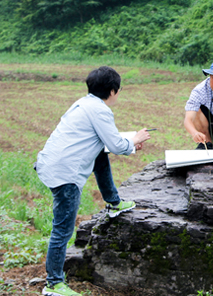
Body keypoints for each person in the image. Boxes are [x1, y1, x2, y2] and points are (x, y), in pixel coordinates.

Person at [35, 66, 151, 296]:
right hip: (65, 174)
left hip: (52, 162)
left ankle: (113, 202)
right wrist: (135, 139)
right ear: (112, 91)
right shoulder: (101, 111)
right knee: (62, 230)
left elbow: (106, 142)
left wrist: (126, 143)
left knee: (100, 152)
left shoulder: (83, 103)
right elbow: (118, 145)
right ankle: (54, 284)